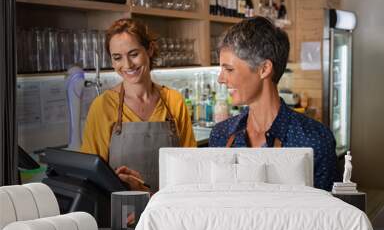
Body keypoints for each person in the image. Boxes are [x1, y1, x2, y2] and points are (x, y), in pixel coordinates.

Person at [209, 16, 337, 191]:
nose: (220, 79)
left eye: (229, 69)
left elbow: (326, 214)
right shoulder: (221, 135)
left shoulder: (315, 139)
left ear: (264, 69)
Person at [81, 18, 196, 193]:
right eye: (117, 58)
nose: (127, 65)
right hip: (122, 212)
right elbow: (91, 177)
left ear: (149, 49)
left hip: (168, 209)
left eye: (133, 54)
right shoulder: (102, 106)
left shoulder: (174, 100)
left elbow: (191, 167)